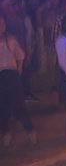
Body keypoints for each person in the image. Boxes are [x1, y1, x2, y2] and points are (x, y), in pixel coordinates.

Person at [0, 17, 36, 146]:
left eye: (2, 23)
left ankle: (30, 131)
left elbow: (21, 54)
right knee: (3, 107)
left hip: (11, 74)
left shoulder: (11, 39)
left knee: (19, 105)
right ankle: (6, 132)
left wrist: (19, 69)